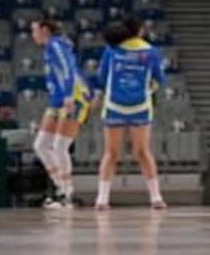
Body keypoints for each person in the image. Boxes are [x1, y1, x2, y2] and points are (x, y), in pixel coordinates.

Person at [92, 18, 168, 211]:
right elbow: (159, 78)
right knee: (142, 152)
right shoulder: (150, 52)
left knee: (110, 153)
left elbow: (101, 77)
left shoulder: (111, 50)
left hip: (114, 106)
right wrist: (147, 87)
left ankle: (102, 199)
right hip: (140, 107)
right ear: (140, 31)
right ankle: (156, 198)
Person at [30, 19, 91, 208]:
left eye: (34, 30)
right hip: (56, 100)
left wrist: (68, 95)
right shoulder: (49, 48)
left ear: (45, 30)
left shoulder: (56, 44)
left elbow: (67, 70)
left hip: (73, 97)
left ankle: (68, 194)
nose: (32, 35)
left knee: (59, 146)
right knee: (41, 145)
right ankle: (60, 187)